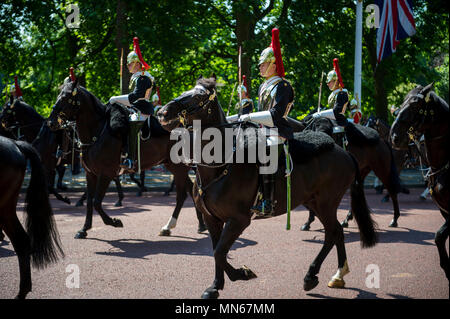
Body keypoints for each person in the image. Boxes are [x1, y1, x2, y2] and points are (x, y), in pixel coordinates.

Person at [239, 28, 294, 216]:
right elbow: (260, 113)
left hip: (278, 131)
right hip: (263, 130)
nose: (260, 67)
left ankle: (268, 201)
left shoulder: (283, 86)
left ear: (273, 65)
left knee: (265, 151)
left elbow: (276, 114)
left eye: (263, 64)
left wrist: (249, 116)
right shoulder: (265, 86)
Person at [109, 37, 154, 169]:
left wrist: (116, 98)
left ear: (136, 64)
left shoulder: (143, 77)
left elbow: (136, 96)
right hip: (136, 108)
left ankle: (131, 158)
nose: (128, 66)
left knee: (133, 122)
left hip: (143, 109)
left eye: (129, 64)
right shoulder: (137, 78)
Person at [312, 59, 352, 127]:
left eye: (329, 82)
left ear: (336, 81)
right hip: (332, 121)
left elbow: (336, 112)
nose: (327, 84)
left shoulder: (342, 94)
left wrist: (320, 114)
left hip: (339, 123)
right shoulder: (334, 94)